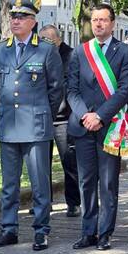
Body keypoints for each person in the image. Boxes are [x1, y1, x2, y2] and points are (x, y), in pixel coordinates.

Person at [0, 0, 64, 251]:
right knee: (9, 185)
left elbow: (56, 89)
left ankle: (41, 230)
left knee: (39, 184)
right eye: (13, 16)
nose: (16, 20)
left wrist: (42, 113)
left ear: (33, 21)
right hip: (9, 125)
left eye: (21, 17)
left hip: (36, 126)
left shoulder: (45, 49)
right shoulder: (0, 50)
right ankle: (8, 229)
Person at [67, 3, 128, 251]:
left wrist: (100, 116)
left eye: (103, 20)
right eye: (95, 20)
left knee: (108, 184)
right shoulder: (80, 52)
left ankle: (105, 233)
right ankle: (88, 232)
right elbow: (72, 90)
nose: (98, 24)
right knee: (86, 182)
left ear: (112, 23)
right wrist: (86, 115)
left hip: (110, 127)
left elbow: (124, 90)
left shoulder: (126, 52)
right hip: (83, 125)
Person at [39, 24, 81, 218]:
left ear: (58, 39)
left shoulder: (71, 56)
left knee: (69, 162)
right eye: (41, 40)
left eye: (47, 40)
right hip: (42, 116)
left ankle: (73, 203)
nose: (43, 44)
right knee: (40, 163)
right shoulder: (38, 54)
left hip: (63, 119)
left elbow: (72, 87)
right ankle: (43, 203)